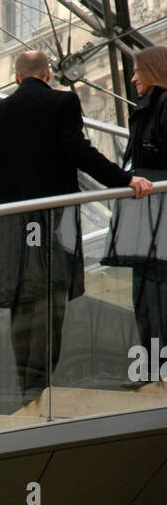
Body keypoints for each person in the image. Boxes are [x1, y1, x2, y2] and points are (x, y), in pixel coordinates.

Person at [0, 49, 152, 404]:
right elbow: (78, 151)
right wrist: (124, 179)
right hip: (53, 219)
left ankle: (27, 386)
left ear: (15, 77)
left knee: (21, 300)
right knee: (51, 297)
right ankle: (40, 385)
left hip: (9, 226)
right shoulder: (63, 103)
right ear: (48, 75)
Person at [102, 45, 167, 382]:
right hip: (150, 216)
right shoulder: (146, 109)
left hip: (157, 216)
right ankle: (152, 367)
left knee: (153, 293)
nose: (132, 78)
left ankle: (155, 368)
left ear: (154, 71)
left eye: (138, 70)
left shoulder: (159, 107)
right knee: (146, 293)